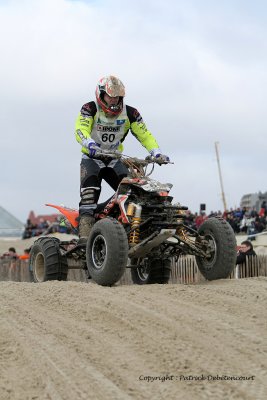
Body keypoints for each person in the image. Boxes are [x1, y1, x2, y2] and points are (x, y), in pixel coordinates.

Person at [75, 75, 170, 242]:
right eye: (110, 96)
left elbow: (144, 134)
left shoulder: (131, 113)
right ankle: (85, 236)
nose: (113, 100)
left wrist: (156, 152)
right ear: (101, 94)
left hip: (114, 160)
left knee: (133, 193)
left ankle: (133, 231)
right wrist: (89, 143)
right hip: (92, 158)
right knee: (89, 195)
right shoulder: (89, 108)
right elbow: (80, 129)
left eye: (117, 97)